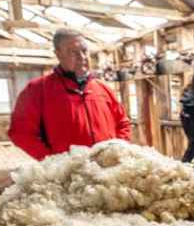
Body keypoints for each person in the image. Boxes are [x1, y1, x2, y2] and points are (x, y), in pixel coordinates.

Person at [8, 28, 131, 160]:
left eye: (84, 51)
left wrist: (117, 150)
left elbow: (122, 123)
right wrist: (51, 160)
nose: (82, 57)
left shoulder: (103, 89)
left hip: (107, 168)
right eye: (73, 52)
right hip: (68, 172)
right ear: (58, 54)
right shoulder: (37, 90)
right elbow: (20, 132)